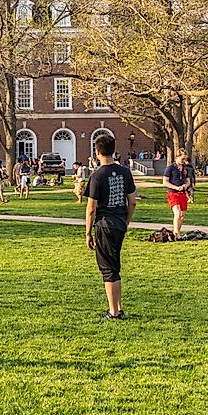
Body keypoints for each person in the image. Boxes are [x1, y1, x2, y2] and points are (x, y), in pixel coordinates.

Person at [85, 134, 137, 320]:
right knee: (114, 266)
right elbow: (132, 202)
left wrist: (88, 233)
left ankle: (113, 311)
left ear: (97, 152)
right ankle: (119, 307)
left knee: (108, 269)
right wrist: (126, 221)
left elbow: (91, 208)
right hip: (119, 224)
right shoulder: (125, 172)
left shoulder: (97, 175)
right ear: (114, 150)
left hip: (104, 225)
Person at [163, 150, 191, 239]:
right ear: (178, 157)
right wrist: (175, 187)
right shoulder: (170, 168)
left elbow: (188, 181)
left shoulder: (184, 169)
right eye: (183, 158)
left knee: (182, 215)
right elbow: (165, 182)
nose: (184, 160)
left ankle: (177, 232)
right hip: (173, 193)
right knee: (177, 213)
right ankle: (176, 234)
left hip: (182, 193)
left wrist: (185, 186)